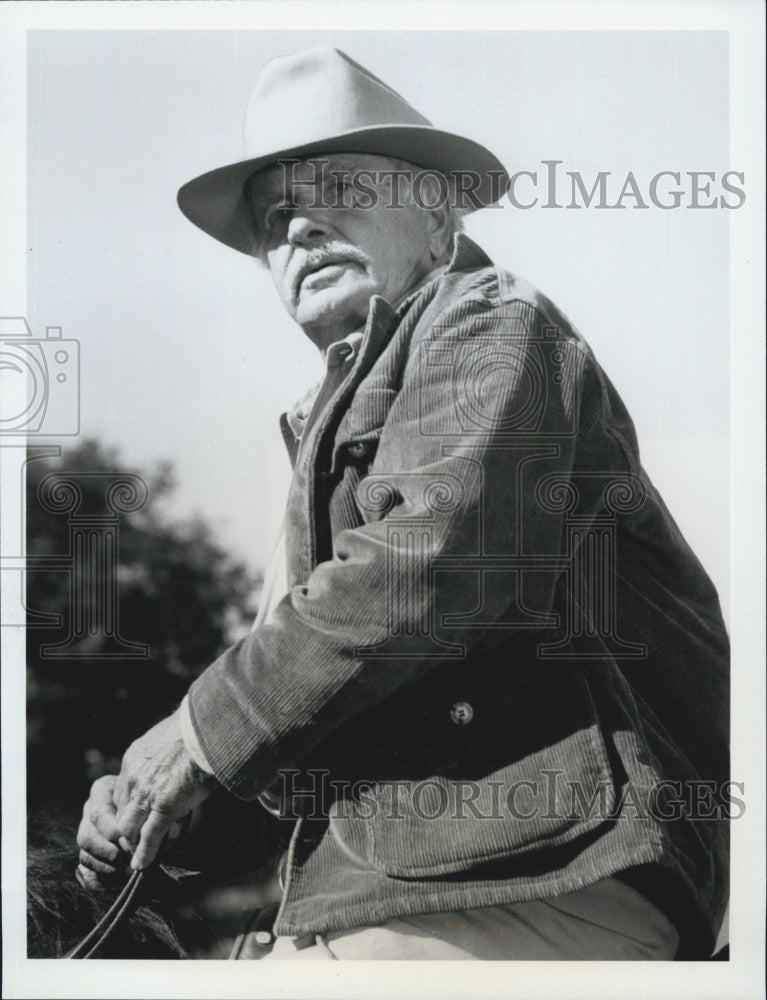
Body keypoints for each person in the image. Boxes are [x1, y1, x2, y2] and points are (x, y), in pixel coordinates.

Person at [76, 46, 729, 960]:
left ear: (437, 219)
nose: (297, 230)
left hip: (538, 875)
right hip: (417, 887)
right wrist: (154, 807)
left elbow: (425, 569)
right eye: (274, 218)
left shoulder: (490, 319)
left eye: (336, 191)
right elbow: (305, 709)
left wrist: (190, 738)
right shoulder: (327, 423)